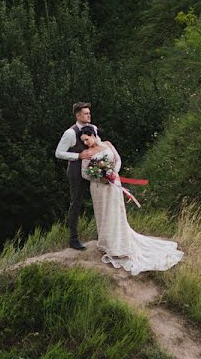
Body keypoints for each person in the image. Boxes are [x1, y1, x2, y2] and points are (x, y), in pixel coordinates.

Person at [79, 125, 184, 273]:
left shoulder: (107, 144)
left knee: (116, 211)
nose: (86, 143)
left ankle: (120, 243)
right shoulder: (87, 153)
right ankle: (108, 244)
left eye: (87, 139)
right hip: (99, 188)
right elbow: (84, 173)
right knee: (103, 214)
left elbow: (118, 159)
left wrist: (112, 172)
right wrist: (99, 176)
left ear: (93, 135)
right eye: (83, 141)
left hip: (113, 182)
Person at [54, 102, 100, 250]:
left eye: (89, 112)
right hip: (75, 171)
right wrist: (78, 155)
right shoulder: (70, 133)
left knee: (99, 199)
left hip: (95, 169)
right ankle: (73, 239)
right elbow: (58, 153)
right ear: (78, 115)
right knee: (76, 203)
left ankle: (102, 235)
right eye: (86, 113)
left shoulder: (94, 129)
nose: (89, 115)